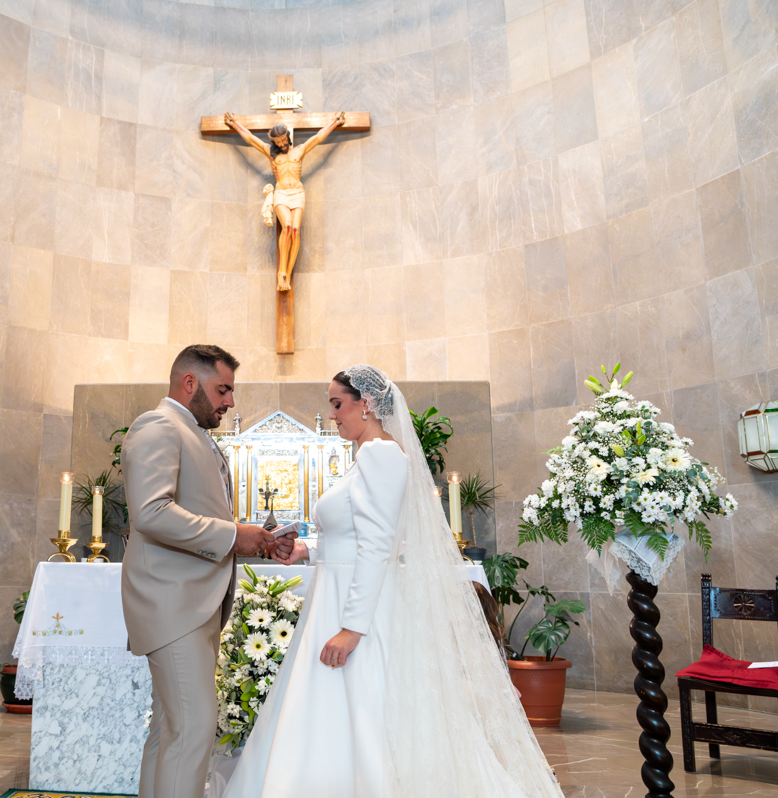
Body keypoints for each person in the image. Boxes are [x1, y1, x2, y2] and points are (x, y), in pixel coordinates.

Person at [222, 365, 561, 798]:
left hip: (356, 610)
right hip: (337, 598)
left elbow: (378, 546)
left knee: (363, 713)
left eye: (337, 404)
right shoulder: (365, 456)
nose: (332, 415)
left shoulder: (380, 455)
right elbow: (354, 538)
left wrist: (352, 628)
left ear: (366, 404)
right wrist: (307, 550)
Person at [120, 344, 296, 798]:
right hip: (173, 602)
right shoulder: (159, 425)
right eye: (223, 390)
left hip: (192, 601)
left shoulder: (192, 432)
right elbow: (151, 512)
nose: (230, 401)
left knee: (170, 730)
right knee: (192, 729)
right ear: (189, 383)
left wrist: (255, 539)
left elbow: (200, 514)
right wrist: (234, 535)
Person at [221, 111, 346, 292]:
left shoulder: (299, 150)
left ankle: (287, 271)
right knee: (286, 225)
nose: (281, 144)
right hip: (281, 193)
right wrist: (234, 124)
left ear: (288, 136)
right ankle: (281, 271)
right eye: (278, 142)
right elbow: (250, 139)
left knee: (295, 230)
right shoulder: (271, 154)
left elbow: (318, 138)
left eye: (283, 140)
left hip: (297, 193)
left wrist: (335, 122)